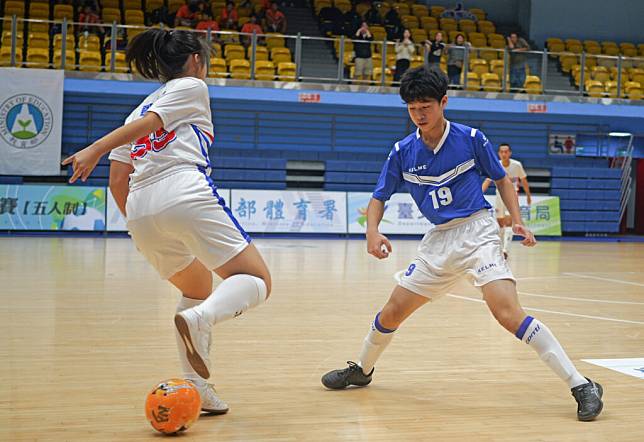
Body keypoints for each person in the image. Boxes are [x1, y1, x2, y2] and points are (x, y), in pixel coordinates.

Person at [320, 66, 603, 423]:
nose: (419, 114)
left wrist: (516, 220)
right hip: (438, 242)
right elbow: (379, 197)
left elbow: (502, 182)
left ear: (443, 102)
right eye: (412, 108)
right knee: (391, 313)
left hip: (478, 233)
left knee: (506, 313)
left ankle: (581, 385)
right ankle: (361, 369)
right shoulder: (402, 151)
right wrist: (371, 231)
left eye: (425, 106)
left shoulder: (470, 138)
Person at [63, 29, 272, 415]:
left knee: (196, 284)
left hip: (139, 208)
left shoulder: (134, 111)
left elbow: (116, 180)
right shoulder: (192, 86)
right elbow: (155, 123)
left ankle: (197, 386)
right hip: (182, 188)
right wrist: (95, 146)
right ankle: (202, 318)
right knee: (257, 280)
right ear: (195, 60)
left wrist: (142, 225)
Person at [481, 143, 532, 258]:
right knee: (500, 224)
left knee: (509, 222)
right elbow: (487, 181)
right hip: (499, 196)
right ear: (499, 153)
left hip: (512, 197)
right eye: (501, 152)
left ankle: (505, 250)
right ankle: (500, 248)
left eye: (506, 151)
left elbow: (524, 181)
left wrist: (528, 195)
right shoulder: (496, 165)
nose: (504, 154)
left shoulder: (517, 165)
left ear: (510, 153)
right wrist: (479, 194)